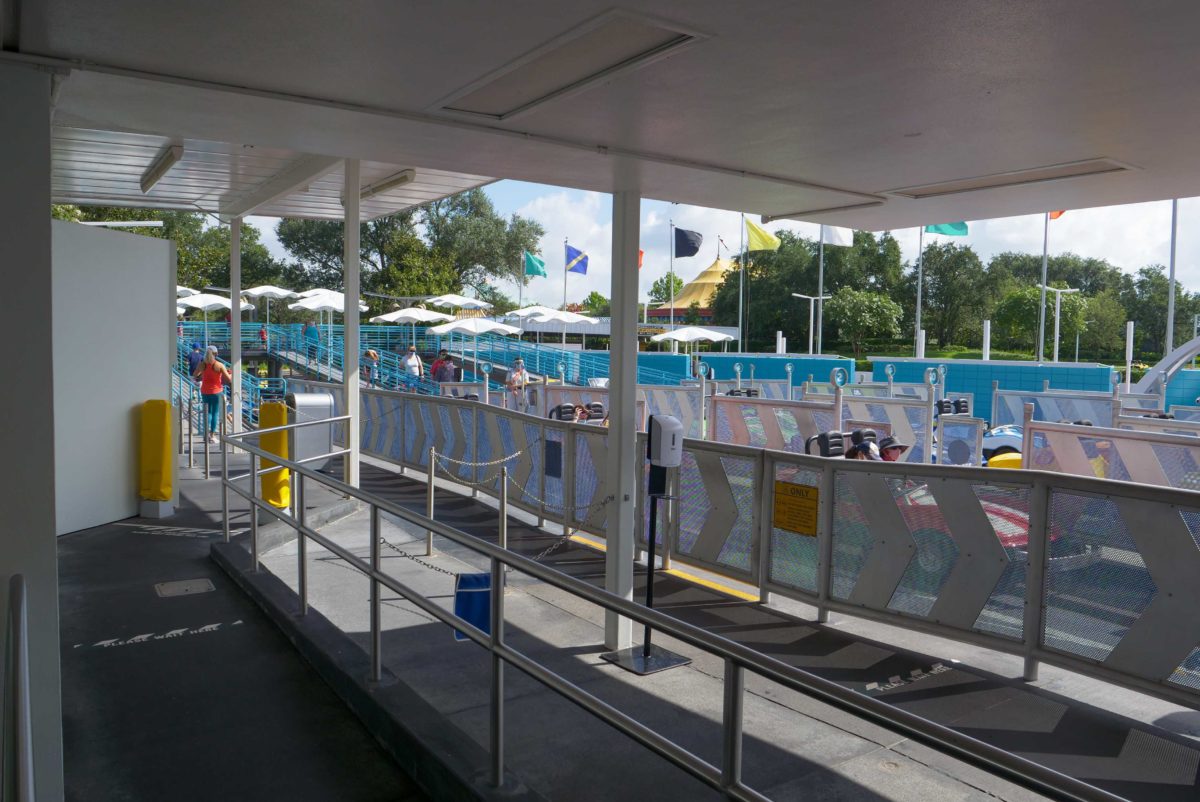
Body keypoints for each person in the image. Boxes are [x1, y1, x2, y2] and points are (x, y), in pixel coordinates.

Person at [193, 346, 231, 444]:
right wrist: (230, 373)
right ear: (216, 354)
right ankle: (212, 435)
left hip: (205, 391)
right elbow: (229, 379)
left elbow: (195, 375)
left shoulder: (202, 365)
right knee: (215, 413)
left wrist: (203, 375)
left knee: (207, 413)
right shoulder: (219, 365)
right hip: (216, 392)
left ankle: (205, 435)